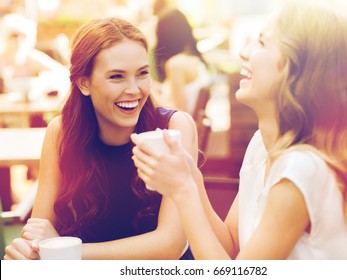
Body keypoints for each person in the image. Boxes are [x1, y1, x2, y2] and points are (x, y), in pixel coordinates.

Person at [131, 0, 347, 259]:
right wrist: (192, 178)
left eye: (262, 43)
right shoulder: (261, 146)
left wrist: (183, 190)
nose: (244, 52)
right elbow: (231, 244)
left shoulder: (302, 168)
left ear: (297, 71)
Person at [4, 17, 198, 260]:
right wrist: (28, 251)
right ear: (84, 83)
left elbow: (170, 246)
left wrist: (63, 250)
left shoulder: (173, 128)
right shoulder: (61, 132)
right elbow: (40, 231)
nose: (134, 89)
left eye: (142, 73)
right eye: (116, 77)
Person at [153, 8, 212, 116]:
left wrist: (152, 94)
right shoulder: (194, 59)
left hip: (178, 129)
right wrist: (157, 88)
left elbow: (179, 111)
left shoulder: (175, 64)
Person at [0, 13, 68, 96]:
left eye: (23, 35)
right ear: (4, 36)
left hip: (32, 107)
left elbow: (64, 74)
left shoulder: (31, 57)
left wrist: (43, 81)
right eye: (14, 36)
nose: (18, 40)